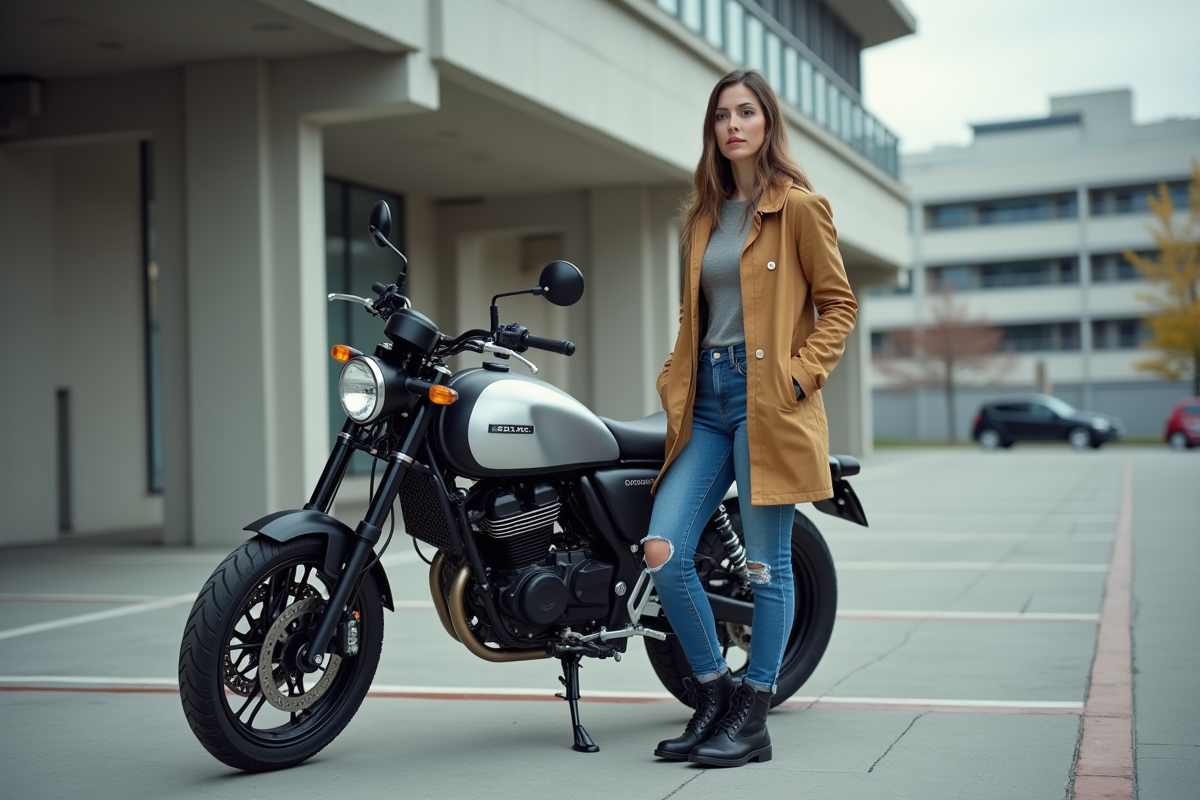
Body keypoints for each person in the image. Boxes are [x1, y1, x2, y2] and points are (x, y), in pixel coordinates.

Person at [643, 68, 857, 768]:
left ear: (766, 124)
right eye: (721, 116)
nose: (733, 125)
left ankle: (754, 712)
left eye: (746, 112)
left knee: (766, 570)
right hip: (705, 401)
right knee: (665, 553)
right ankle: (712, 692)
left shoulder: (799, 207)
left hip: (769, 401)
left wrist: (798, 375)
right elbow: (695, 311)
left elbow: (839, 305)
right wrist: (678, 372)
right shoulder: (702, 216)